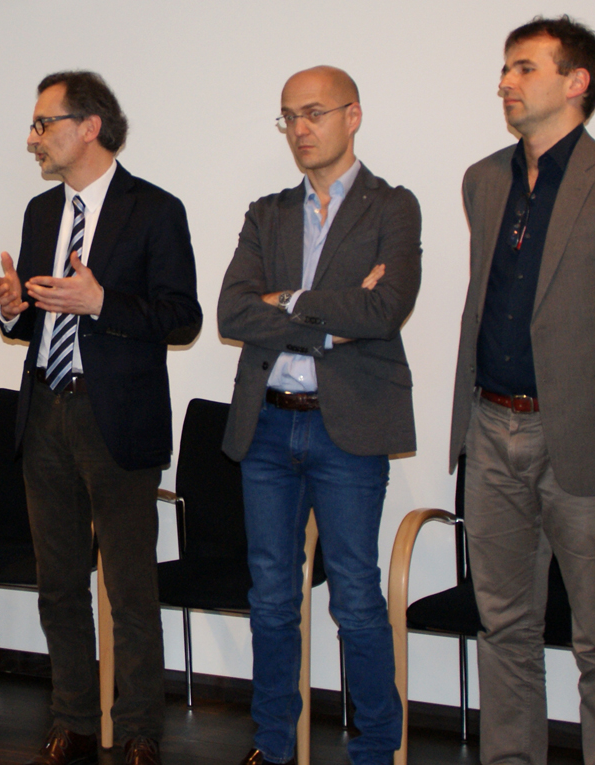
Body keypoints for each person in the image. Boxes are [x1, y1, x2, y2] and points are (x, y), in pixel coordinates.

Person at [449, 15, 595, 765]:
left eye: (523, 68)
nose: (505, 82)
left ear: (575, 81)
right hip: (490, 428)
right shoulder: (483, 179)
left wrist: (593, 385)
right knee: (504, 625)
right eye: (505, 70)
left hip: (582, 437)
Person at [0, 70, 201, 765]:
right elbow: (35, 319)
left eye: (43, 123)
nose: (33, 137)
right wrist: (14, 310)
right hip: (45, 410)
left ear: (89, 126)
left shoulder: (155, 210)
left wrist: (102, 302)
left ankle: (139, 728)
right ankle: (74, 718)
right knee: (59, 581)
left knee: (130, 585)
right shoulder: (39, 213)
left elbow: (181, 316)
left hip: (117, 417)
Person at [218, 66, 421, 765]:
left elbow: (384, 310)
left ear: (352, 115)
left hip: (349, 427)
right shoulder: (267, 212)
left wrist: (289, 302)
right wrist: (330, 310)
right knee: (272, 598)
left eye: (313, 113)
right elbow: (233, 312)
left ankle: (374, 748)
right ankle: (272, 745)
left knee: (356, 596)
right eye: (288, 117)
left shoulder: (393, 207)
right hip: (270, 422)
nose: (300, 130)